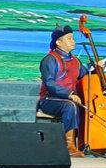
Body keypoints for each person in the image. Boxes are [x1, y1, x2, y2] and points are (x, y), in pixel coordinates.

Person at [37, 25, 88, 158]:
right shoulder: (50, 60)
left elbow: (85, 75)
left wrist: (97, 68)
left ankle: (86, 142)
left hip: (69, 100)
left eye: (73, 38)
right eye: (69, 38)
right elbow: (50, 84)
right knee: (70, 106)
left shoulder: (76, 61)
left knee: (81, 106)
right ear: (58, 42)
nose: (73, 41)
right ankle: (68, 145)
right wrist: (69, 94)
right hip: (49, 100)